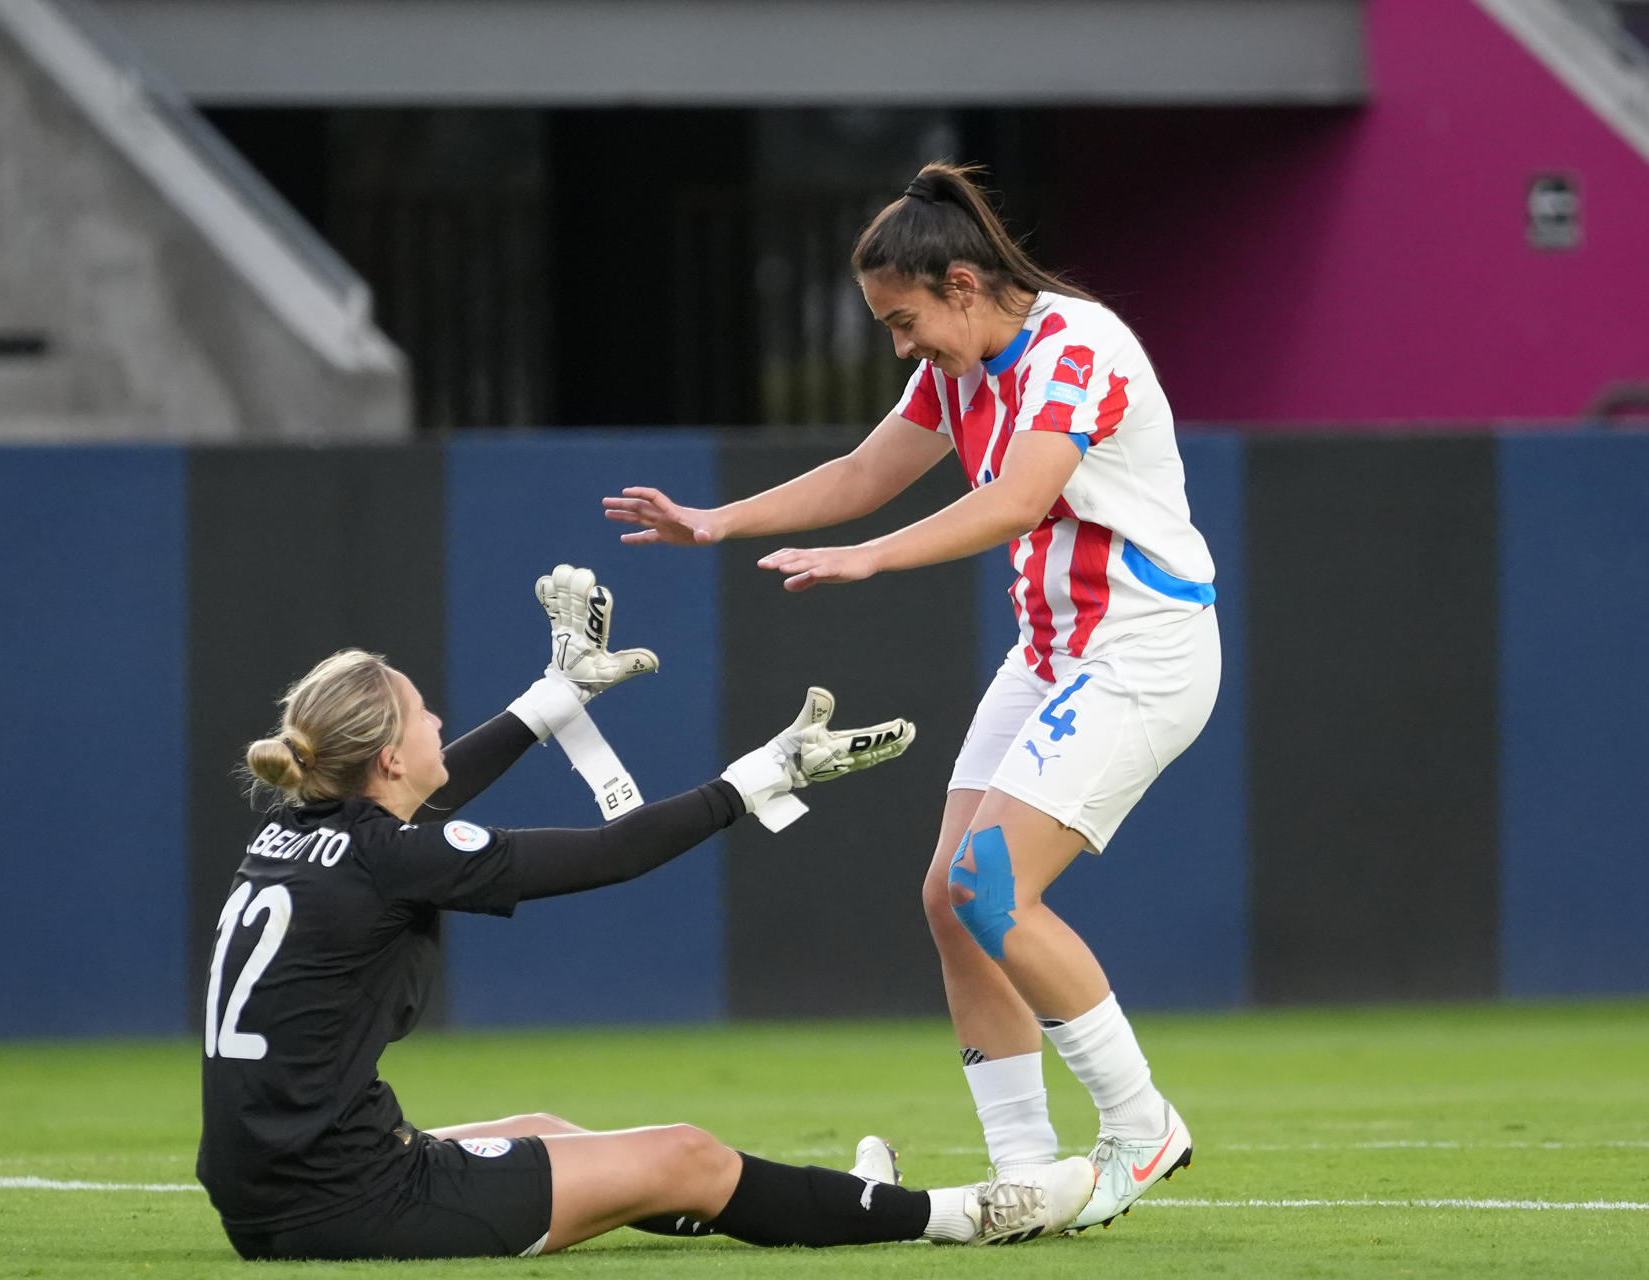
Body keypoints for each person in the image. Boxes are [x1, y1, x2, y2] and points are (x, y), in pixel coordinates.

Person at [603, 162, 1218, 1232]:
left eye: (905, 320)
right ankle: (1022, 1165)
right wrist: (713, 520)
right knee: (950, 898)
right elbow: (859, 472)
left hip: (1140, 649)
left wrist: (871, 561)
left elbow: (1019, 498)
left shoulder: (1080, 346)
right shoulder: (961, 364)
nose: (902, 346)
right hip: (1052, 651)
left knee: (991, 884)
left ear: (966, 285)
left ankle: (1140, 1123)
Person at [195, 564, 1096, 1260]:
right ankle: (963, 1215)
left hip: (267, 1191)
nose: (438, 723)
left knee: (547, 1133)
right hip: (347, 1202)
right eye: (424, 713)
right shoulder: (390, 855)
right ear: (388, 759)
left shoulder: (293, 836)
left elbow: (419, 807)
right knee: (688, 1155)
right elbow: (609, 853)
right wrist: (753, 781)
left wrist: (554, 698)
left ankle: (814, 1202)